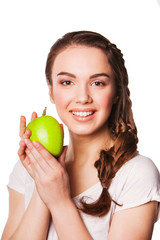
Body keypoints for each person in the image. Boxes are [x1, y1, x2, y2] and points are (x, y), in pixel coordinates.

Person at [1, 31, 160, 240]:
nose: (83, 97)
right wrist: (43, 185)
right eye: (67, 82)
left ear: (116, 92)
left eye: (97, 83)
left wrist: (59, 201)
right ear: (51, 90)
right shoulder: (27, 168)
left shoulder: (136, 174)